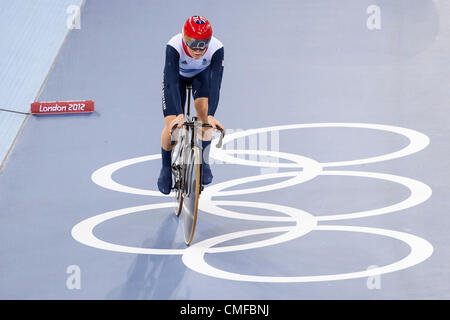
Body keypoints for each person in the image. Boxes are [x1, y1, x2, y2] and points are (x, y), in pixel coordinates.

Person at [158, 15, 225, 195]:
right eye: (192, 43)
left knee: (204, 118)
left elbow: (215, 83)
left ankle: (203, 161)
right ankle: (165, 168)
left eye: (202, 44)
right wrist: (179, 115)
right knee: (172, 125)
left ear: (209, 42)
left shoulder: (217, 48)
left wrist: (210, 115)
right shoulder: (174, 45)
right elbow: (171, 81)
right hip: (176, 79)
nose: (197, 49)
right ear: (183, 38)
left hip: (201, 77)